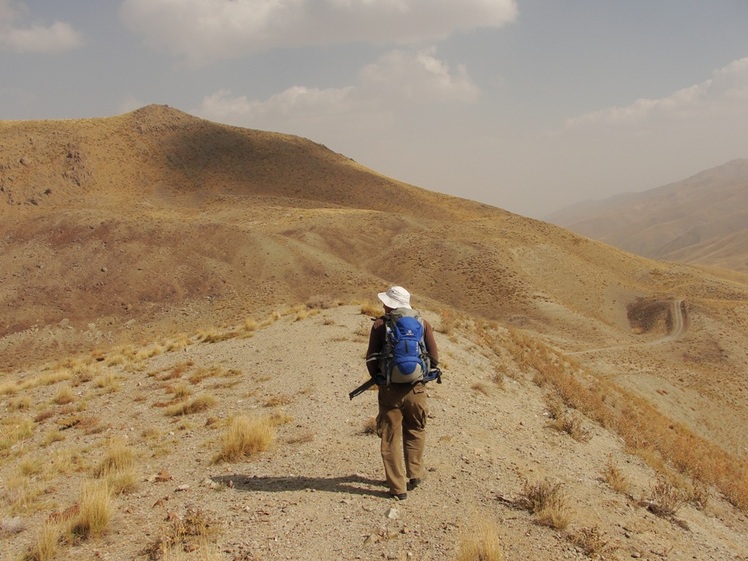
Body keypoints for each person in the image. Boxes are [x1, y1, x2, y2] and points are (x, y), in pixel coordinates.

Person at [365, 286, 439, 500]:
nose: (383, 304)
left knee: (390, 437)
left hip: (390, 390)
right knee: (416, 429)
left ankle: (398, 488)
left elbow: (371, 359)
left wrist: (379, 377)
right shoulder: (423, 323)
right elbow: (434, 359)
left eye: (385, 302)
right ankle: (415, 475)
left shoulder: (380, 325)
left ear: (391, 304)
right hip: (417, 388)